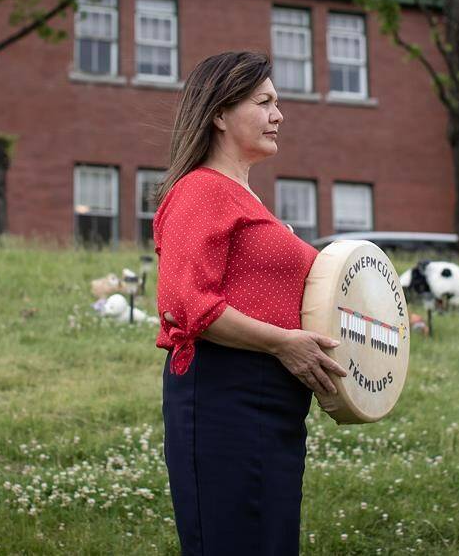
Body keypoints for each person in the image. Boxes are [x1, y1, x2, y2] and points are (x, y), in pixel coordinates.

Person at [153, 51, 346, 556]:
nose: (278, 115)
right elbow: (183, 303)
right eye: (263, 102)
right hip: (225, 395)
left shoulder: (246, 198)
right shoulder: (201, 190)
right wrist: (284, 344)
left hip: (270, 402)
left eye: (277, 102)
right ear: (219, 113)